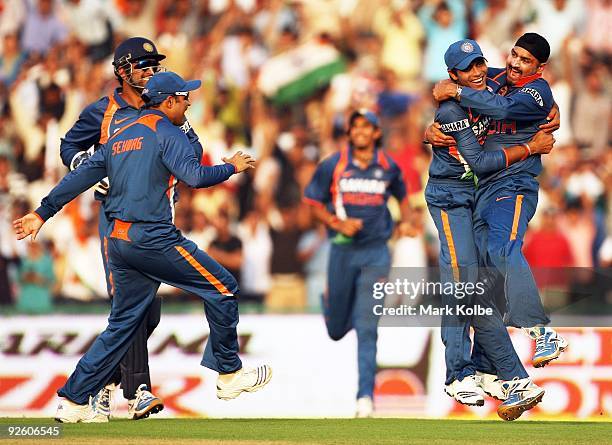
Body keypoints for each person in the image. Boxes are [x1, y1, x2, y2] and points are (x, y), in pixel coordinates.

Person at [14, 71, 271, 423]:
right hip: (152, 237)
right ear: (168, 102)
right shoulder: (165, 132)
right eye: (184, 98)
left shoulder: (120, 133)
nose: (189, 103)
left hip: (117, 240)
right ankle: (228, 374)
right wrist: (231, 167)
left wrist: (42, 212)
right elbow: (195, 176)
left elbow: (80, 176)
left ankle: (73, 400)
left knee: (122, 325)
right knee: (223, 288)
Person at [59, 36, 203, 421]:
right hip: (117, 220)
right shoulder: (102, 112)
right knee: (131, 307)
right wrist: (90, 171)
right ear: (122, 72)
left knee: (149, 310)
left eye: (155, 66)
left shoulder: (168, 105)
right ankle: (137, 389)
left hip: (158, 219)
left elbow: (195, 155)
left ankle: (103, 384)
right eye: (144, 66)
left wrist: (183, 122)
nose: (151, 71)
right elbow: (69, 147)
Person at [426, 39, 555, 420]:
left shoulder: (491, 84)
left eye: (480, 62)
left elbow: (525, 91)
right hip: (451, 198)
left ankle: (490, 371)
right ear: (453, 76)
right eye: (468, 69)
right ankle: (459, 373)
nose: (478, 71)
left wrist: (551, 106)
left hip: (473, 196)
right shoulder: (454, 107)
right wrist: (532, 147)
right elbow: (481, 162)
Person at [304, 109, 410, 418]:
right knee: (336, 330)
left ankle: (365, 398)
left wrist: (406, 222)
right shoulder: (333, 165)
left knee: (368, 326)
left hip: (376, 253)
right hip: (343, 251)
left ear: (377, 133)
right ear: (349, 133)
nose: (361, 132)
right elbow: (312, 203)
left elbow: (403, 196)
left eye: (367, 127)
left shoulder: (389, 166)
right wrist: (337, 223)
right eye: (356, 127)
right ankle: (335, 304)